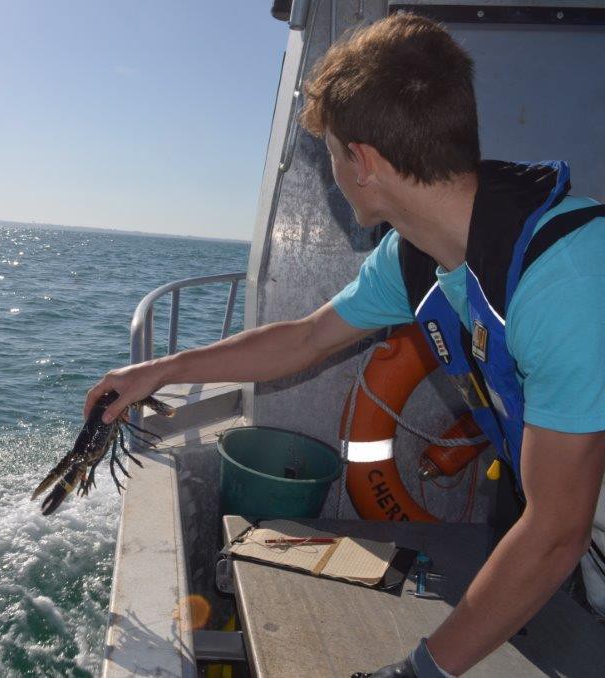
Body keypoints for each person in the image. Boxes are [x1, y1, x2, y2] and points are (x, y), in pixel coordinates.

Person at [84, 13, 605, 678]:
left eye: (330, 154)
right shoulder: (415, 258)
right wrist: (160, 369)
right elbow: (304, 340)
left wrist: (416, 670)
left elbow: (557, 531)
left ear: (362, 162)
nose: (330, 173)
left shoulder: (564, 277)